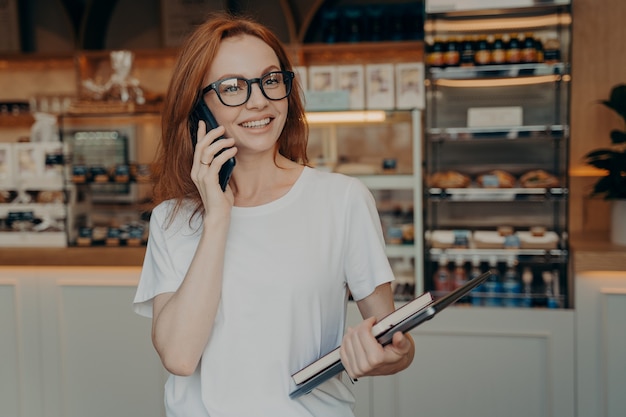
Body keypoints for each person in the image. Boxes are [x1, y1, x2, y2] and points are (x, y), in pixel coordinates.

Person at [133, 12, 415, 417]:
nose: (259, 100)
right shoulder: (171, 220)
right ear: (200, 109)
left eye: (270, 79)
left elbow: (395, 342)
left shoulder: (342, 200)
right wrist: (217, 217)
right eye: (232, 87)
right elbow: (179, 357)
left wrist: (389, 354)